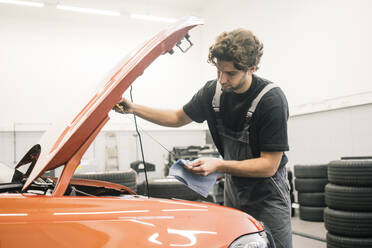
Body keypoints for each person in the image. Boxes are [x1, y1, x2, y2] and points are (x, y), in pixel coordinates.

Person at [114, 28, 292, 248]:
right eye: (219, 71)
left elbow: (268, 165)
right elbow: (178, 117)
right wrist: (134, 109)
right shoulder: (212, 92)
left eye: (230, 74)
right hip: (235, 190)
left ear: (251, 68)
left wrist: (219, 164)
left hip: (268, 195)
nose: (222, 79)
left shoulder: (270, 100)